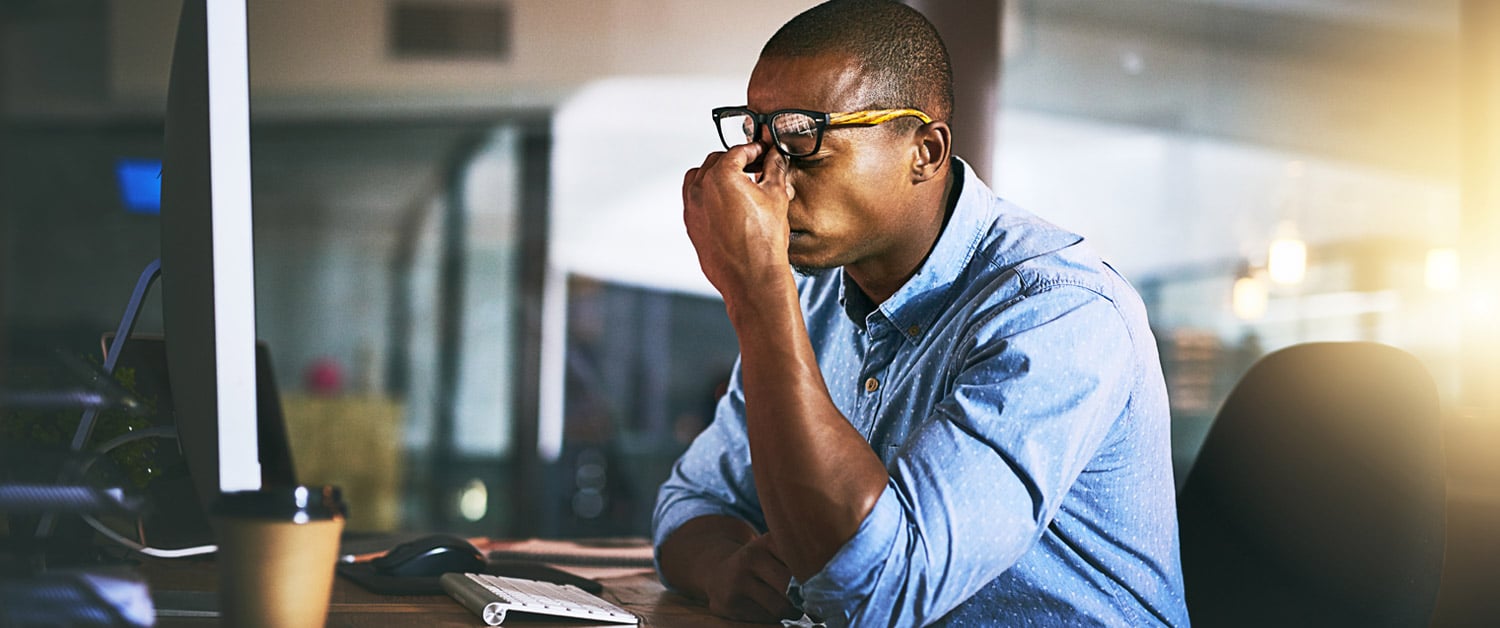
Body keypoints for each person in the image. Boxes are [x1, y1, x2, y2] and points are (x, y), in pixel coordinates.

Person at [652, 1, 1189, 625]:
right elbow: (691, 501)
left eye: (805, 143)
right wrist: (726, 567)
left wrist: (757, 290)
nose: (767, 183)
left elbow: (878, 588)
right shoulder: (818, 296)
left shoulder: (1059, 312)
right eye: (758, 140)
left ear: (925, 152)